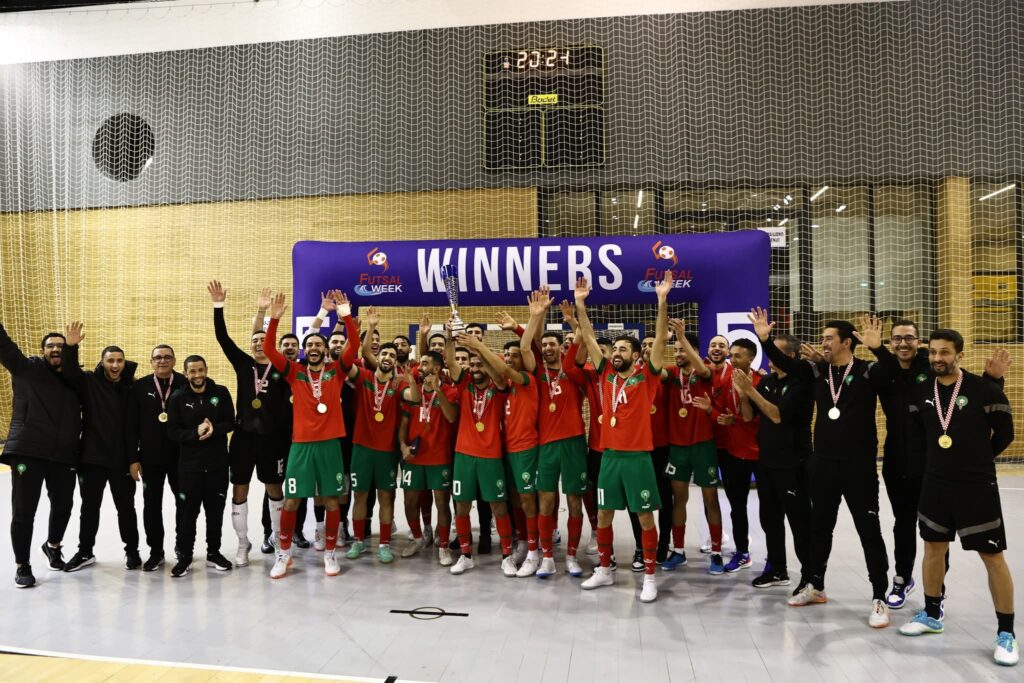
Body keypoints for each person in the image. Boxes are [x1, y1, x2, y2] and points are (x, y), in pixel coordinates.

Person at [755, 311, 895, 628]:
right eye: (823, 338)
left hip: (859, 466)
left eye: (829, 338)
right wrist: (765, 340)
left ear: (847, 342)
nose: (823, 343)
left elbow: (892, 375)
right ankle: (815, 585)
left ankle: (879, 597)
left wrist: (878, 347)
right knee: (819, 528)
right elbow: (786, 363)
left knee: (869, 531)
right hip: (824, 464)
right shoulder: (816, 371)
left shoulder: (867, 370)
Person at [898, 328, 1017, 667]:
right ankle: (931, 614)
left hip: (976, 485)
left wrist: (978, 461)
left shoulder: (985, 390)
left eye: (945, 352)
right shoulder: (922, 391)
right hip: (935, 484)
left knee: (992, 556)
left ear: (959, 355)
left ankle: (1006, 633)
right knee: (933, 549)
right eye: (934, 352)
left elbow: (1005, 434)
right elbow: (919, 436)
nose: (938, 358)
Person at [875, 318, 1008, 608]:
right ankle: (902, 578)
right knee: (904, 524)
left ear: (919, 342)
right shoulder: (883, 371)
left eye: (909, 338)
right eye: (896, 338)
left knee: (938, 534)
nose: (903, 343)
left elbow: (968, 395)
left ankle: (938, 591)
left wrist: (994, 380)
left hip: (933, 466)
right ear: (890, 343)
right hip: (897, 462)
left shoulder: (930, 367)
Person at [574, 272, 671, 603]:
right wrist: (580, 305)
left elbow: (660, 341)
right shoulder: (605, 374)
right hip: (609, 457)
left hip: (638, 458)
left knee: (644, 517)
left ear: (635, 355)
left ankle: (650, 577)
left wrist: (661, 301)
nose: (616, 352)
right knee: (603, 514)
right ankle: (604, 569)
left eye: (623, 349)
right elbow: (589, 338)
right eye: (614, 348)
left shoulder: (647, 377)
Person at [262, 291, 359, 579]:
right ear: (305, 351)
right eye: (310, 345)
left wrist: (345, 315)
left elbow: (354, 344)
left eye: (318, 344)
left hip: (329, 446)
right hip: (301, 446)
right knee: (292, 501)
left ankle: (329, 553)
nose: (314, 348)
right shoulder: (295, 372)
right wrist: (274, 319)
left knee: (331, 501)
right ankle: (284, 553)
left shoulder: (337, 371)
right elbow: (269, 350)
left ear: (326, 350)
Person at [208, 281, 292, 568]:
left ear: (269, 343)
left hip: (272, 439)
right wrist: (218, 306)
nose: (257, 343)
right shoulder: (243, 364)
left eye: (262, 340)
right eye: (254, 340)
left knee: (275, 490)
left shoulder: (282, 368)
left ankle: (280, 541)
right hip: (243, 438)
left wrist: (267, 316)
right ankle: (243, 543)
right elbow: (222, 338)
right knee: (239, 489)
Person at [0, 322, 80, 587]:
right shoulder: (26, 369)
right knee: (24, 512)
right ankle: (22, 564)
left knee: (64, 506)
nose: (56, 349)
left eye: (61, 346)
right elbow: (4, 345)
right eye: (50, 345)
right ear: (42, 350)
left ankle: (53, 546)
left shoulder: (75, 379)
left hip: (64, 455)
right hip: (28, 451)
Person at [737, 316, 812, 590]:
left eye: (775, 353)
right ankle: (778, 569)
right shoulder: (768, 381)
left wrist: (750, 391)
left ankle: (810, 578)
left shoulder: (801, 382)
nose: (770, 360)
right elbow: (749, 417)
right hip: (767, 461)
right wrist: (743, 395)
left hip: (793, 463)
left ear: (790, 356)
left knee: (800, 522)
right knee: (770, 519)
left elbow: (777, 415)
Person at [59, 323, 141, 573]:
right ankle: (85, 552)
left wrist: (134, 459)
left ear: (124, 363)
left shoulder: (132, 388)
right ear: (103, 362)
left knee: (126, 509)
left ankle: (132, 552)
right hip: (92, 459)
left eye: (119, 361)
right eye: (110, 361)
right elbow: (70, 372)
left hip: (122, 460)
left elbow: (134, 428)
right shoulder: (89, 382)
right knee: (89, 509)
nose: (115, 365)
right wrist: (70, 347)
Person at [520, 292, 589, 578]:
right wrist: (536, 316)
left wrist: (575, 316)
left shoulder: (573, 370)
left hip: (574, 443)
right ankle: (547, 557)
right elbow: (525, 346)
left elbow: (583, 338)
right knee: (546, 501)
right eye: (545, 344)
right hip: (546, 445)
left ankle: (571, 557)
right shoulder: (537, 373)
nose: (548, 348)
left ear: (561, 348)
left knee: (574, 502)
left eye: (553, 344)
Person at [344, 307, 421, 563]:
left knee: (386, 496)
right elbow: (354, 359)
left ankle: (385, 544)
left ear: (396, 361)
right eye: (384, 353)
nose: (387, 357)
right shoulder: (364, 376)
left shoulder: (399, 384)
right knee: (360, 496)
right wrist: (370, 327)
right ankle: (358, 541)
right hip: (361, 448)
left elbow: (415, 398)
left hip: (387, 451)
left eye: (392, 355)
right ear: (378, 357)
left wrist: (411, 380)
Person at [444, 331, 516, 576]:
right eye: (472, 365)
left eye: (480, 365)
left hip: (490, 456)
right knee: (462, 506)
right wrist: (450, 337)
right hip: (464, 456)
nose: (475, 368)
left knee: (499, 507)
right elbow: (451, 361)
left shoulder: (500, 387)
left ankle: (507, 556)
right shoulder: (464, 384)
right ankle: (465, 556)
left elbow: (500, 374)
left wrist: (480, 349)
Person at [660, 322, 723, 575]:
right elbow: (656, 371)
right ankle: (678, 550)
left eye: (682, 350)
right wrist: (662, 342)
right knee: (679, 499)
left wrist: (682, 338)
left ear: (694, 351)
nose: (678, 354)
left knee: (711, 498)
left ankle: (716, 552)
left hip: (703, 444)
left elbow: (704, 371)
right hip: (678, 446)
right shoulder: (671, 373)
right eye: (675, 350)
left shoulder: (705, 370)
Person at [165, 355, 236, 577]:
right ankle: (185, 557)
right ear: (185, 374)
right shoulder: (177, 397)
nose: (197, 375)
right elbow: (172, 431)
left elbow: (231, 421)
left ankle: (214, 552)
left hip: (217, 466)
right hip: (190, 468)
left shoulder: (220, 392)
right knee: (188, 514)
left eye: (200, 370)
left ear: (206, 370)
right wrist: (194, 432)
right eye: (192, 371)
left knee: (215, 513)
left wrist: (215, 429)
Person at [127, 344, 186, 572]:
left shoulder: (184, 383)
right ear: (151, 361)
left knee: (184, 504)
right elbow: (131, 426)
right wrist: (133, 458)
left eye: (167, 357)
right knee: (151, 506)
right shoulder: (139, 387)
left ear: (174, 361)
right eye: (158, 357)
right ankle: (156, 551)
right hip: (150, 459)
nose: (163, 361)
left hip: (181, 458)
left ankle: (183, 548)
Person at [398, 351, 458, 564]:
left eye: (424, 363)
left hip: (439, 457)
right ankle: (417, 538)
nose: (419, 367)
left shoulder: (450, 391)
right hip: (414, 458)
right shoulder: (412, 392)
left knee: (442, 503)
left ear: (436, 368)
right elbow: (403, 425)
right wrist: (403, 446)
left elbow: (451, 417)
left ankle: (443, 546)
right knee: (409, 501)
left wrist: (438, 390)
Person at [713, 338, 761, 573]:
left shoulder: (762, 381)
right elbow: (721, 411)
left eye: (737, 356)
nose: (732, 359)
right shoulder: (726, 381)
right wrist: (720, 416)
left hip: (761, 454)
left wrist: (743, 397)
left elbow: (757, 417)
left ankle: (776, 559)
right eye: (731, 355)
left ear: (751, 358)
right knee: (737, 506)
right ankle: (742, 552)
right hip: (735, 454)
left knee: (770, 509)